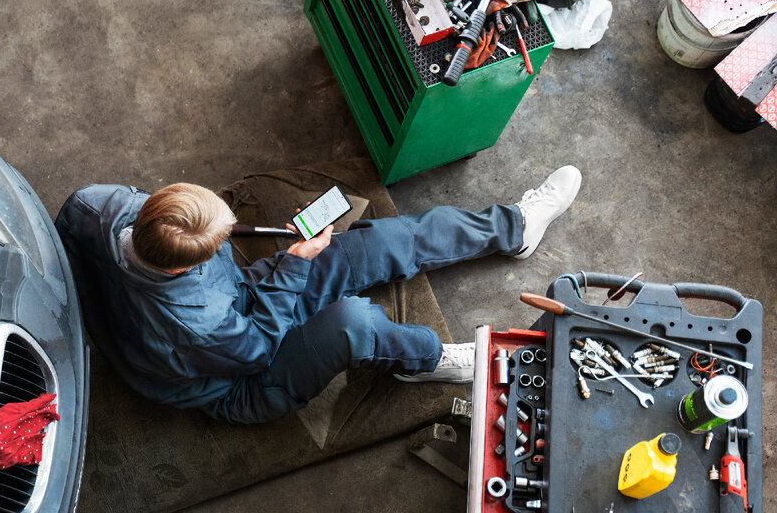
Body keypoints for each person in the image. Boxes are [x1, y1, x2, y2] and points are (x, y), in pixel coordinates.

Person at [55, 166, 581, 424]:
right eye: (222, 236)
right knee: (353, 323)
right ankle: (427, 360)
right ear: (184, 264)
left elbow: (68, 247)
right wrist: (294, 265)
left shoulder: (96, 205)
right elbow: (256, 351)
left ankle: (514, 227)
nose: (235, 229)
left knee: (383, 243)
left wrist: (287, 254)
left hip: (239, 304)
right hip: (240, 378)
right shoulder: (197, 323)